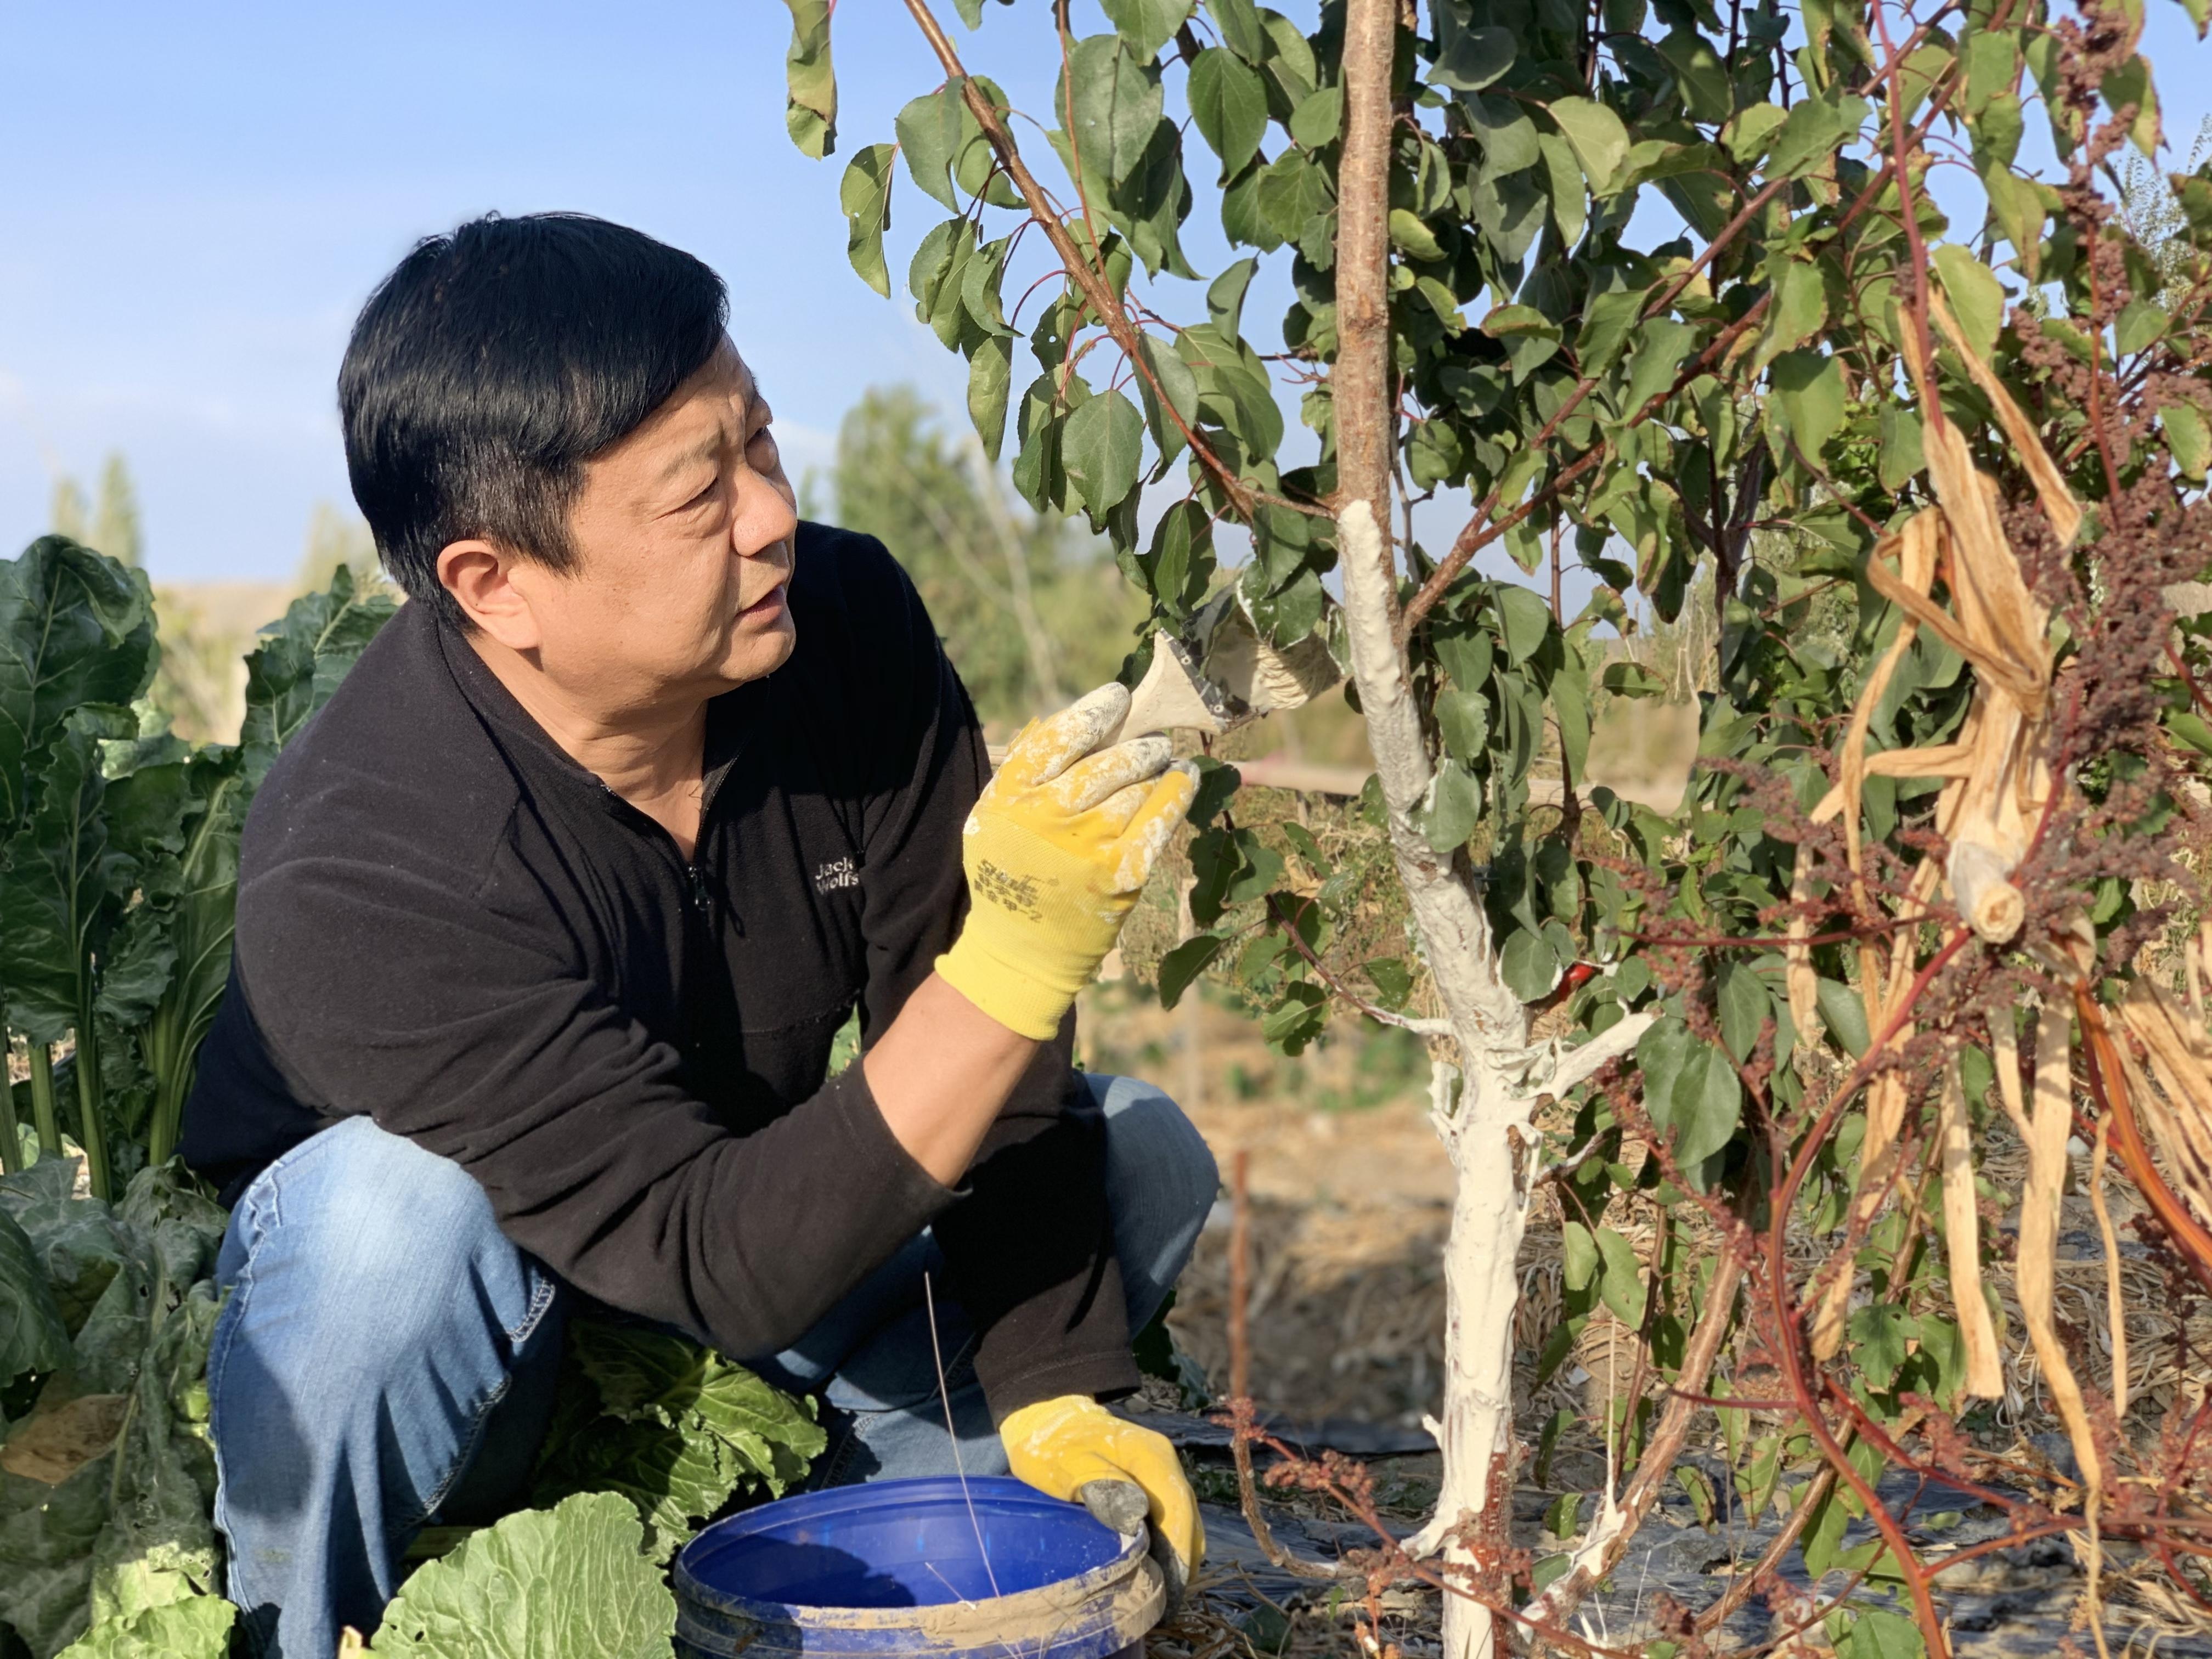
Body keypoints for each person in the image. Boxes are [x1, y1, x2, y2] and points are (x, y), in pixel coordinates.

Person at [179, 212, 1216, 1659]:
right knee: (384, 1227)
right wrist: (1023, 955)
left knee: (1142, 1150)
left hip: (737, 1254)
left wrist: (1050, 1382)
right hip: (476, 1356)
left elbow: (984, 1073)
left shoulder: (841, 626)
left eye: (762, 447)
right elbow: (707, 1245)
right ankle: (289, 1625)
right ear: (496, 584)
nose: (770, 514)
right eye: (695, 495)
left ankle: (804, 1558)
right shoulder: (368, 859)